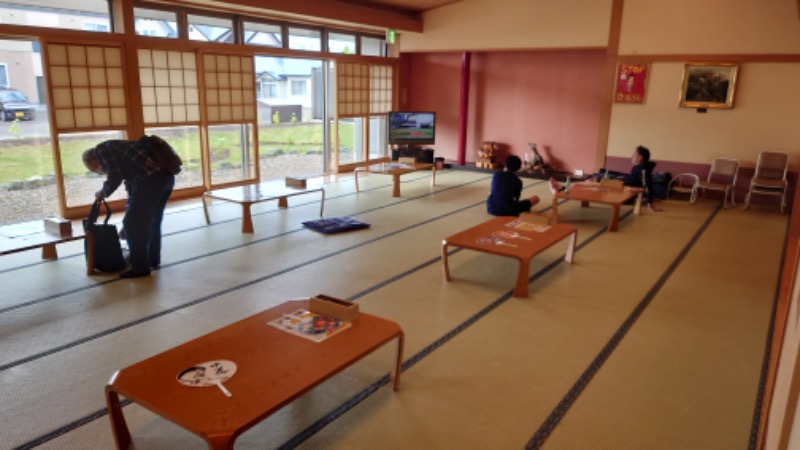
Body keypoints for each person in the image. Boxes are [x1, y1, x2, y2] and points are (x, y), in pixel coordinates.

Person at [82, 138, 175, 278]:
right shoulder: (121, 154)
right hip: (165, 179)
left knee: (133, 225)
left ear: (92, 160)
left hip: (150, 181)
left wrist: (102, 193)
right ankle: (152, 260)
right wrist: (127, 219)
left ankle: (140, 268)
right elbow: (133, 194)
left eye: (94, 169)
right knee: (152, 221)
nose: (98, 171)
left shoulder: (101, 150)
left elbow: (114, 177)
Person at [548, 145, 663, 212]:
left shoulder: (643, 169)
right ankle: (562, 187)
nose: (631, 156)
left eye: (634, 154)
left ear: (640, 158)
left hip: (623, 193)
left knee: (593, 184)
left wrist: (649, 203)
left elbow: (647, 185)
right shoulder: (640, 167)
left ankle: (561, 188)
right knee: (593, 180)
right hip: (621, 187)